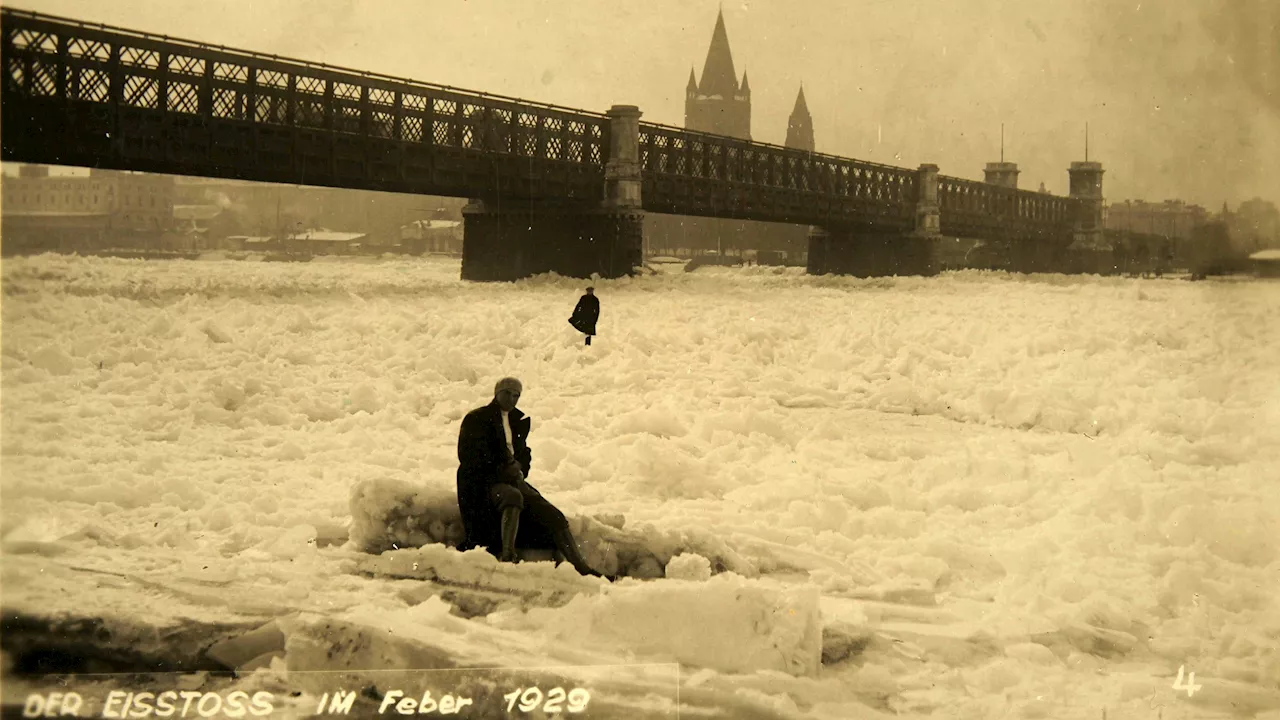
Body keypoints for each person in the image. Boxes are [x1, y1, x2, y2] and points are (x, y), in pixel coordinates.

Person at [455, 377, 603, 577]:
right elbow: (470, 456)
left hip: (513, 479)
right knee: (512, 497)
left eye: (516, 395)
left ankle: (582, 568)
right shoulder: (477, 418)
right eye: (507, 393)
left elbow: (523, 453)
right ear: (496, 393)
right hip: (484, 482)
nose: (512, 399)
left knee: (554, 516)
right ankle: (508, 555)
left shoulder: (517, 421)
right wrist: (502, 469)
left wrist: (520, 468)